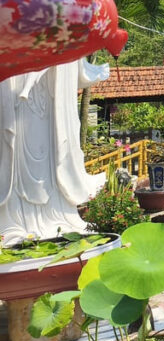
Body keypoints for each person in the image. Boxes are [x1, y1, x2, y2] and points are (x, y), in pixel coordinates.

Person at [0, 58, 108, 242]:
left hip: (48, 101)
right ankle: (14, 219)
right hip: (15, 93)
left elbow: (70, 53)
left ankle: (55, 215)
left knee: (48, 155)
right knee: (16, 151)